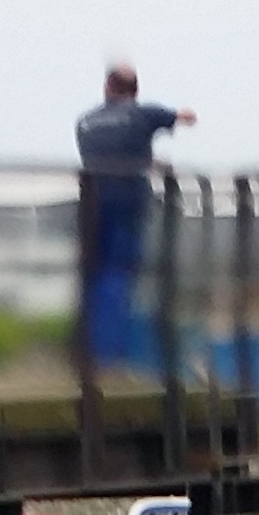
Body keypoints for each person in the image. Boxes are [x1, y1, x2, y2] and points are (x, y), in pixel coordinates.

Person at [73, 65, 193, 368]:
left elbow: (112, 151)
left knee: (92, 277)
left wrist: (146, 158)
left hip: (91, 204)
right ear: (135, 90)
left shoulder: (85, 122)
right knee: (118, 277)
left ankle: (85, 353)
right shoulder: (143, 114)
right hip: (127, 205)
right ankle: (111, 357)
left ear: (106, 88)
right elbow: (185, 117)